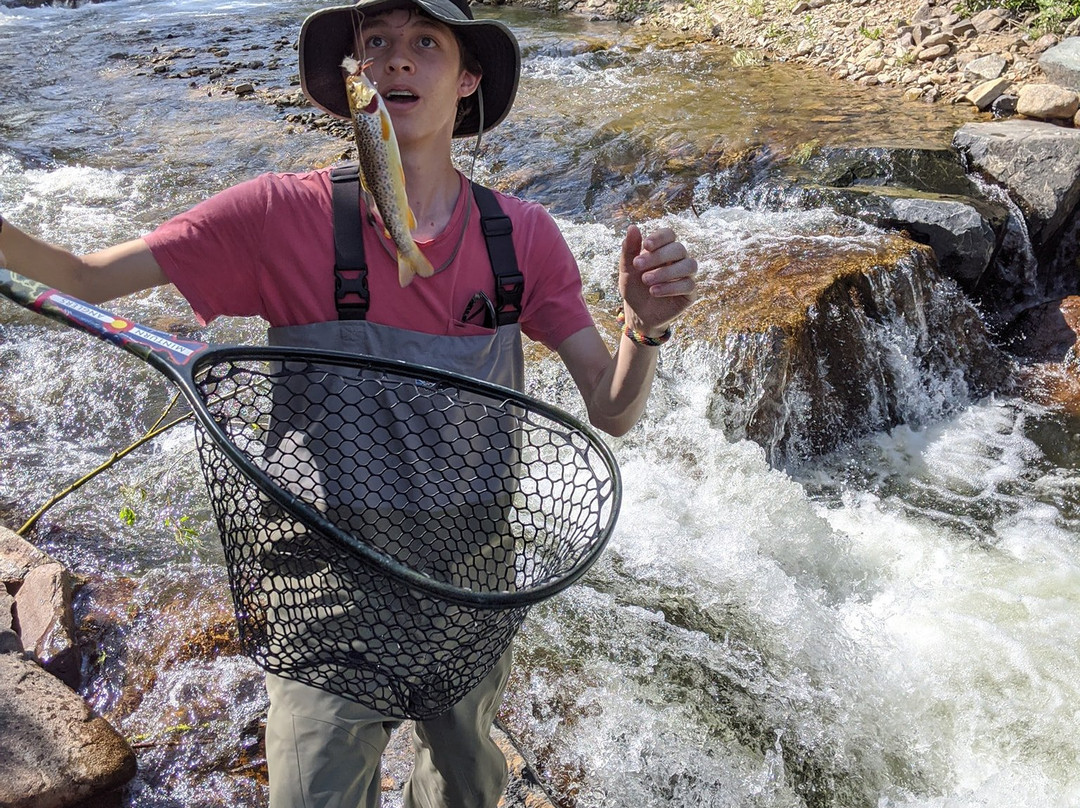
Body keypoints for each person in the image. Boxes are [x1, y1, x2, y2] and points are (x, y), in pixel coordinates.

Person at [0, 0, 697, 804]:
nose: (397, 60)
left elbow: (611, 411)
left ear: (468, 78)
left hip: (471, 582)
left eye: (425, 43)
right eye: (377, 44)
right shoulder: (274, 215)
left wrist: (643, 328)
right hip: (321, 582)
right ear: (355, 78)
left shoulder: (523, 237)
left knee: (467, 783)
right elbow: (84, 277)